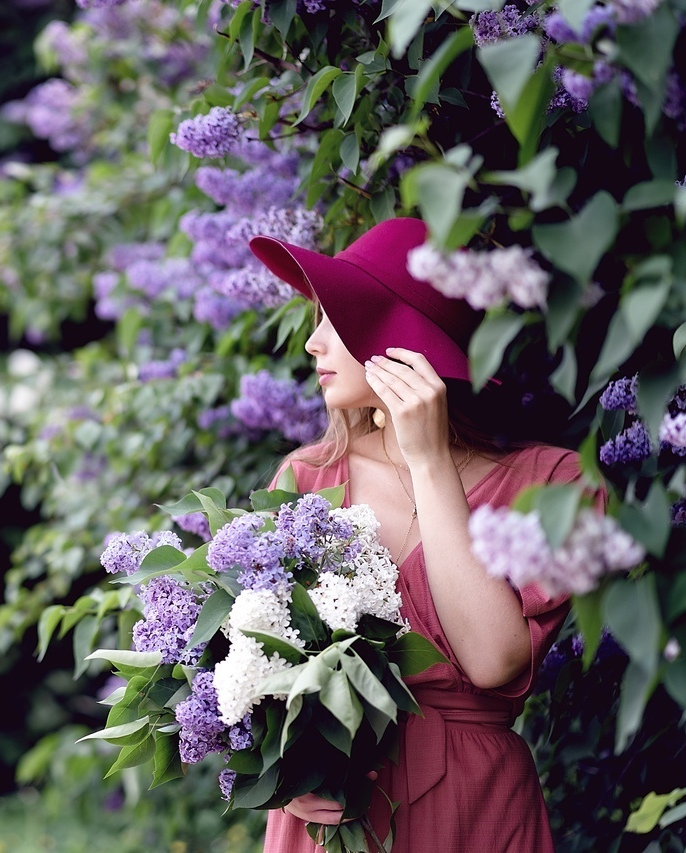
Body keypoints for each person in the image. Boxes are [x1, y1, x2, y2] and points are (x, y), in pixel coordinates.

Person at [247, 218, 583, 852]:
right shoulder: (308, 478)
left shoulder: (550, 485)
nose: (314, 345)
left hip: (473, 809)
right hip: (330, 813)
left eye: (333, 320)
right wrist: (286, 776)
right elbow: (261, 668)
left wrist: (428, 462)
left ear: (400, 340)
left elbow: (492, 661)